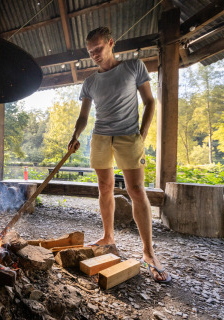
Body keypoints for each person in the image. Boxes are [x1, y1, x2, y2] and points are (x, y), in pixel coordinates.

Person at [67, 27, 171, 283]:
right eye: (91, 52)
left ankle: (148, 252)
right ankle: (108, 238)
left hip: (129, 136)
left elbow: (150, 102)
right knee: (104, 187)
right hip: (101, 137)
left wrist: (142, 135)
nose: (95, 55)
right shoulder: (90, 82)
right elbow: (83, 116)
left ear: (111, 43)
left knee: (136, 190)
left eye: (98, 49)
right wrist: (76, 135)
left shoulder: (134, 67)